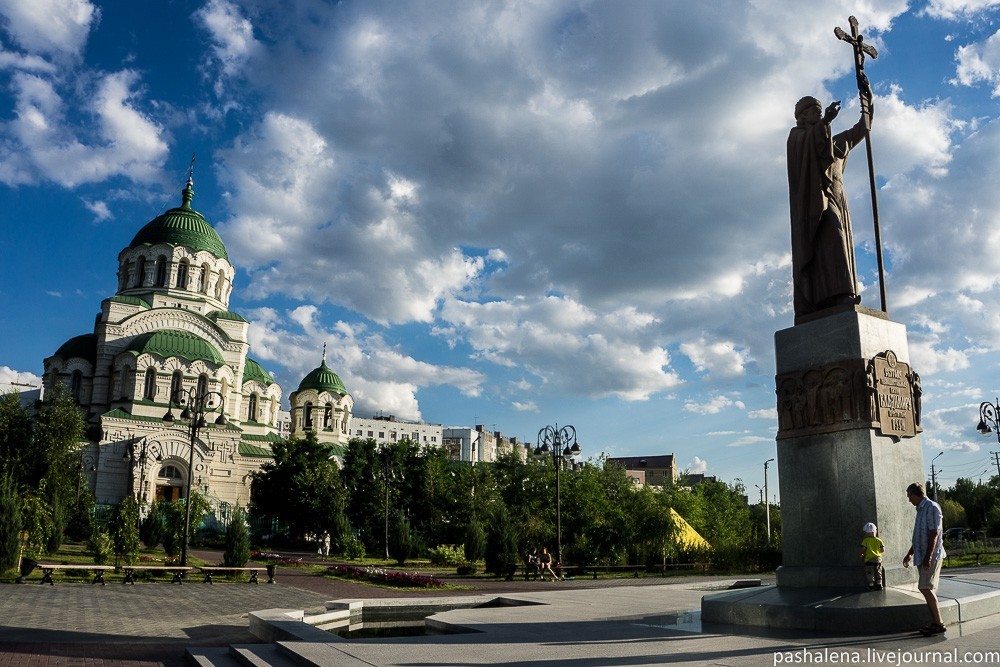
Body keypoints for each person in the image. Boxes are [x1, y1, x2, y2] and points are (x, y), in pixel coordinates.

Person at [787, 74, 873, 318]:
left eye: (819, 110)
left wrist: (868, 99)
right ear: (803, 115)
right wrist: (825, 122)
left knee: (840, 247)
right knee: (830, 241)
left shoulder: (835, 144)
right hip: (814, 206)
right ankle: (839, 295)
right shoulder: (797, 138)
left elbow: (862, 129)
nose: (819, 113)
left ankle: (837, 296)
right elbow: (810, 145)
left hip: (837, 201)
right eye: (815, 111)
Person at [904, 482, 947, 636]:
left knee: (925, 587)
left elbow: (934, 533)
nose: (909, 500)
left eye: (909, 496)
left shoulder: (932, 507)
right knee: (928, 588)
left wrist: (928, 557)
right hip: (922, 555)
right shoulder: (920, 509)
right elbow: (919, 536)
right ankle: (936, 622)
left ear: (916, 494)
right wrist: (910, 553)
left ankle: (939, 623)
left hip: (931, 556)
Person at [859, 522, 885, 590]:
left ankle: (871, 585)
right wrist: (878, 551)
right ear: (875, 531)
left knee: (870, 572)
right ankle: (879, 584)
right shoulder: (879, 540)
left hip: (869, 560)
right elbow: (882, 550)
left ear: (866, 533)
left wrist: (861, 554)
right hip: (878, 559)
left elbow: (863, 549)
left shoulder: (865, 540)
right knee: (878, 571)